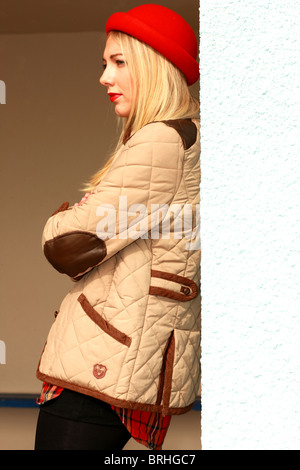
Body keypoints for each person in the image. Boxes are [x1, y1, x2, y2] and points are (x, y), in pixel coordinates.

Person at [34, 4, 201, 451]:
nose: (104, 78)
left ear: (154, 66)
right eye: (104, 64)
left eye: (119, 62)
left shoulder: (162, 139)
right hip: (131, 346)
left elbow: (68, 245)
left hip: (106, 355)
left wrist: (64, 214)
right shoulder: (191, 137)